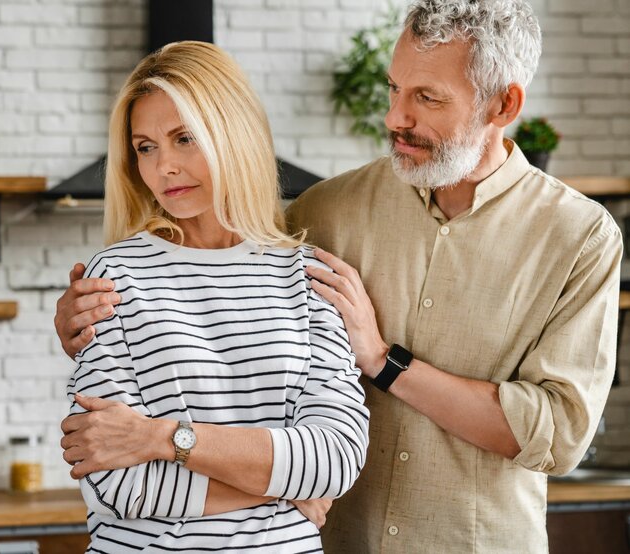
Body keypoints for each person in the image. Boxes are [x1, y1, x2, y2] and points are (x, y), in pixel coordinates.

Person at [56, 1, 622, 552]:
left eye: (426, 97)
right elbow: (220, 262)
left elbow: (560, 431)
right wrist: (79, 321)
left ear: (504, 104)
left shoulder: (578, 237)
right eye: (394, 90)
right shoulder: (326, 211)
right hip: (337, 536)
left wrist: (382, 360)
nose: (396, 117)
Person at [58, 40, 369, 553]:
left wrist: (164, 438)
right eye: (145, 147)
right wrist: (283, 486)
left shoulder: (308, 277)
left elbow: (335, 460)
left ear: (233, 134)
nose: (164, 168)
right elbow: (116, 485)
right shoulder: (113, 279)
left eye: (184, 138)